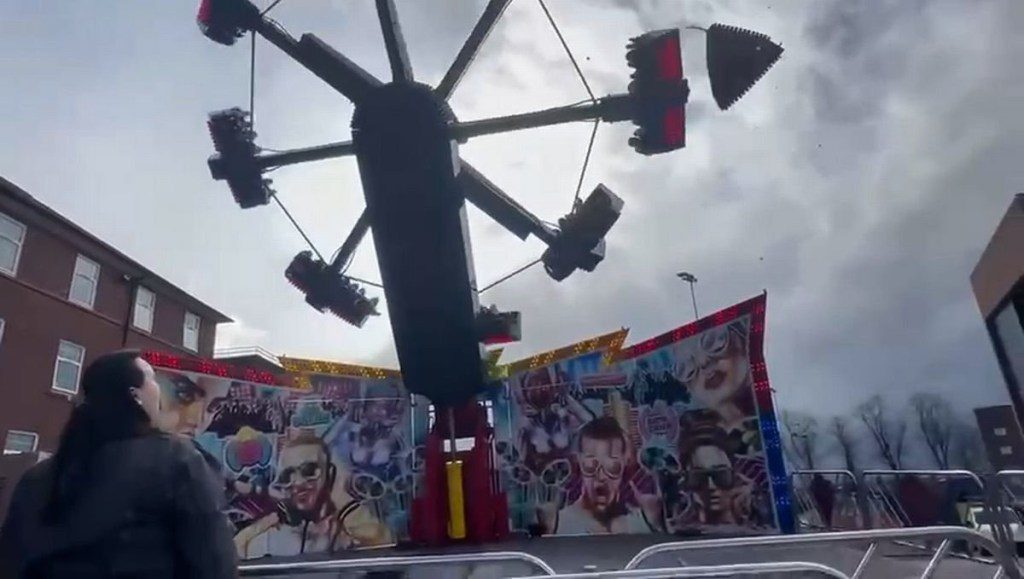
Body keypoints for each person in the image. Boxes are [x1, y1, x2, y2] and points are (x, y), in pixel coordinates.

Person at [0, 350, 237, 578]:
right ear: (136, 396)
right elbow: (214, 564)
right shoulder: (178, 460)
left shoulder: (37, 477)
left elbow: (10, 562)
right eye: (153, 379)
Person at [554, 416, 655, 534]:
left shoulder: (641, 523)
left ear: (624, 466)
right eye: (591, 466)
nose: (601, 477)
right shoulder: (558, 524)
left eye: (612, 467)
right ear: (579, 464)